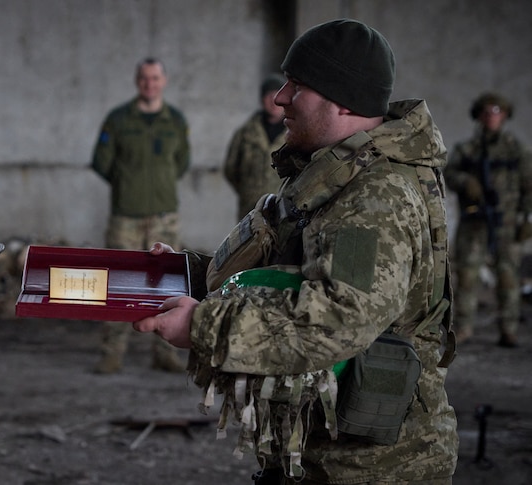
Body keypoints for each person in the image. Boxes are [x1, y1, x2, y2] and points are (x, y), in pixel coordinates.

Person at [133, 19, 458, 483]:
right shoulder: (328, 175)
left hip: (374, 467)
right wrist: (186, 273)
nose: (279, 97)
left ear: (341, 99)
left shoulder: (375, 196)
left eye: (297, 85)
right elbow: (282, 276)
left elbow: (338, 317)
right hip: (322, 454)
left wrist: (201, 326)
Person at [90, 57, 190, 374]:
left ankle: (165, 353)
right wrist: (128, 186)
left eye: (155, 78)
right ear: (137, 82)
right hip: (126, 218)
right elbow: (101, 162)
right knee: (117, 284)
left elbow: (182, 162)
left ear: (165, 81)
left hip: (164, 216)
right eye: (145, 78)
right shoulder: (118, 119)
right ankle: (112, 354)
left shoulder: (175, 120)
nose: (150, 84)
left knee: (168, 285)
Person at [444, 92, 532, 348]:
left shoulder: (516, 150)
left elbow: (530, 187)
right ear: (478, 115)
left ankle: (509, 328)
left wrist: (528, 219)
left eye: (496, 111)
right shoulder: (467, 149)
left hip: (506, 224)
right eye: (485, 111)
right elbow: (449, 173)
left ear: (504, 115)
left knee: (508, 276)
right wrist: (466, 181)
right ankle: (463, 327)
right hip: (474, 224)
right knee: (467, 276)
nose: (490, 116)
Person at [223, 73, 287, 220]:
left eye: (277, 95)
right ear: (261, 99)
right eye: (268, 96)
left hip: (283, 207)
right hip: (250, 208)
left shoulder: (294, 134)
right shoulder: (246, 132)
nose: (273, 101)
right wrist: (248, 190)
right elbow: (231, 169)